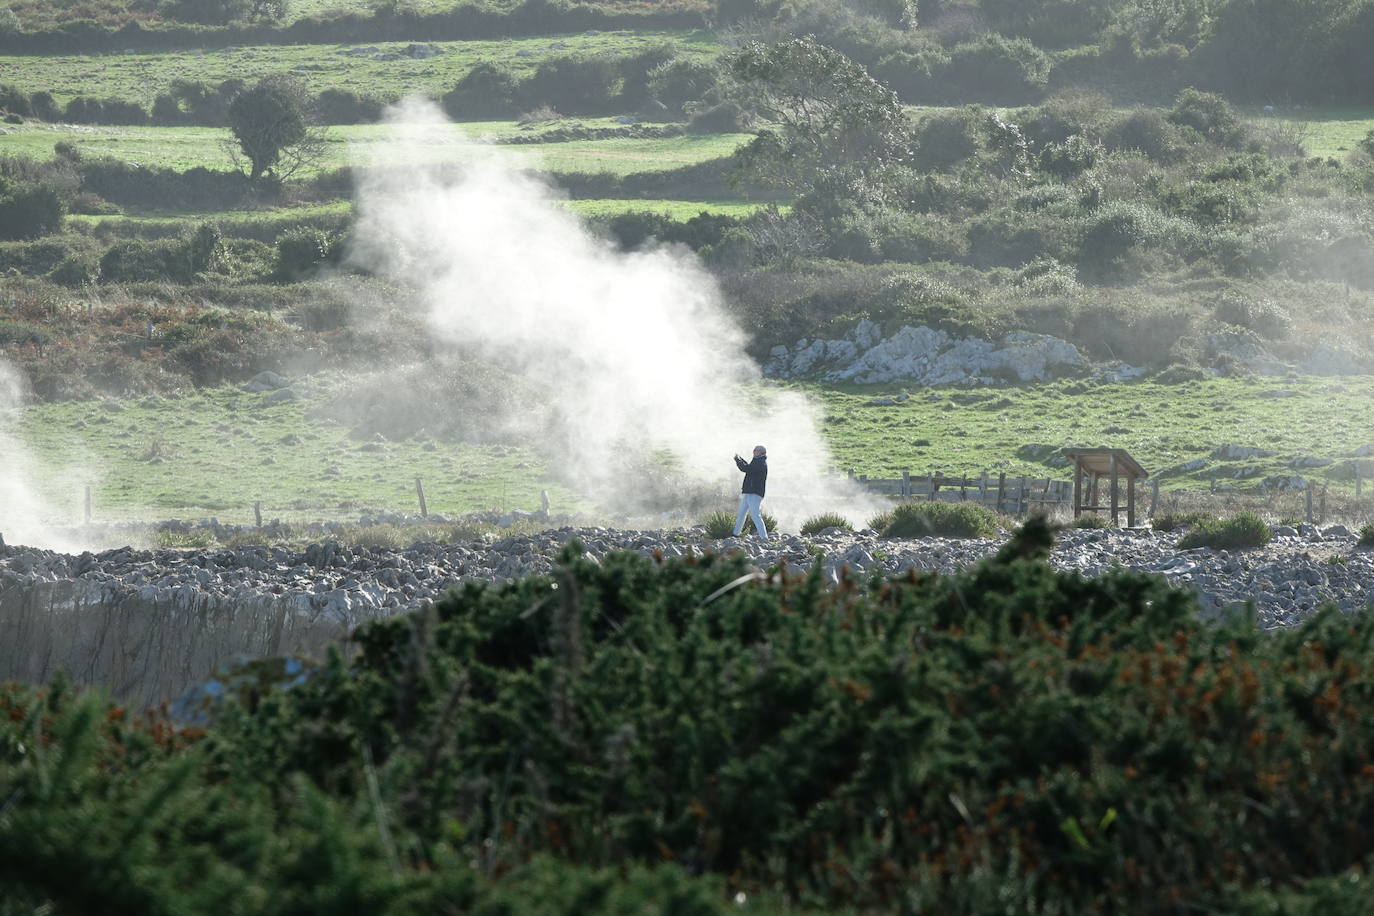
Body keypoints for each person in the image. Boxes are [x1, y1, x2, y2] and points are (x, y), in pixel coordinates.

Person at [731, 445, 769, 538]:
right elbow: (748, 467)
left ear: (761, 453)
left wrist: (738, 460)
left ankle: (764, 538)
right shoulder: (757, 461)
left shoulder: (760, 463)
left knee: (756, 516)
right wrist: (741, 459)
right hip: (749, 493)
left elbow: (746, 468)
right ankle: (735, 534)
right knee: (741, 514)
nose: (754, 451)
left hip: (754, 493)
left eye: (756, 450)